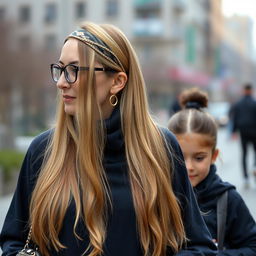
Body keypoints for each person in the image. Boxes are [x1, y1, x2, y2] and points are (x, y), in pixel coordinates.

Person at [0, 22, 217, 256]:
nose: (62, 82)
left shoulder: (160, 147)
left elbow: (199, 246)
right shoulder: (44, 150)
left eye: (75, 70)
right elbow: (14, 242)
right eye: (60, 69)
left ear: (117, 81)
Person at [168, 87, 256, 255]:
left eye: (199, 158)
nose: (189, 167)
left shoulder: (228, 199)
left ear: (214, 155)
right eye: (179, 156)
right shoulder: (157, 196)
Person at [229, 83, 256, 187]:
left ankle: (245, 178)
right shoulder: (254, 103)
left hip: (243, 132)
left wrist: (234, 132)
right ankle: (254, 167)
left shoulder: (238, 104)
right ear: (251, 90)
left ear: (244, 91)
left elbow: (235, 118)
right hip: (254, 132)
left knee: (244, 154)